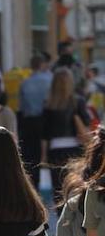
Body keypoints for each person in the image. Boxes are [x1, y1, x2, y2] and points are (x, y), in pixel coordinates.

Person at [43, 68, 92, 207]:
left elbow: (44, 135)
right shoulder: (78, 102)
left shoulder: (48, 104)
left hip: (55, 151)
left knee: (58, 190)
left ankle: (61, 215)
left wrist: (43, 156)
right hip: (75, 149)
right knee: (75, 187)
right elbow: (87, 127)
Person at [18, 54, 54, 186]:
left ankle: (33, 183)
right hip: (47, 120)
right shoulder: (50, 80)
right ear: (42, 65)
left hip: (29, 122)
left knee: (31, 155)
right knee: (48, 154)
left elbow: (22, 107)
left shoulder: (25, 83)